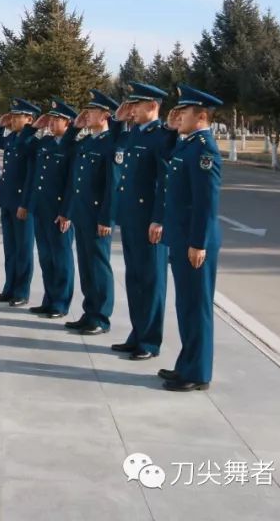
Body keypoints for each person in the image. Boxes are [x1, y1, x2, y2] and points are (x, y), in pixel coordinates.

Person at [158, 84, 223, 391]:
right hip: (182, 237)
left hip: (195, 242)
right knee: (186, 305)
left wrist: (198, 242)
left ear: (200, 116)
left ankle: (197, 373)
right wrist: (171, 129)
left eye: (183, 112)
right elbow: (164, 157)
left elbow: (205, 203)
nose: (178, 116)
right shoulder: (186, 144)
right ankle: (187, 364)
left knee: (196, 307)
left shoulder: (204, 149)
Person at [109, 82, 179, 361]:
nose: (132, 109)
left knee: (151, 281)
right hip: (132, 218)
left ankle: (149, 342)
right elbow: (115, 144)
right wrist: (117, 120)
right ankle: (137, 334)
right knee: (135, 278)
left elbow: (166, 181)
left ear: (152, 106)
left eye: (136, 105)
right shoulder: (135, 132)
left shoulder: (162, 136)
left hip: (150, 221)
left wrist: (160, 219)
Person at [57, 89, 119, 335]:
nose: (87, 114)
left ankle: (101, 316)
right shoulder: (88, 141)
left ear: (105, 115)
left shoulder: (110, 143)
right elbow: (65, 152)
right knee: (85, 264)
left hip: (97, 216)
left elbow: (112, 186)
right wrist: (74, 127)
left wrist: (107, 218)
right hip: (81, 213)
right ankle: (89, 311)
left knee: (98, 265)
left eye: (93, 111)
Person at [20, 99, 79, 319]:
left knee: (61, 258)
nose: (52, 123)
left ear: (69, 122)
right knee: (46, 257)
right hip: (41, 208)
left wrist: (67, 213)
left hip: (59, 212)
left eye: (58, 120)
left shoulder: (73, 147)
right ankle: (49, 300)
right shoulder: (43, 142)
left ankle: (61, 303)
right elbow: (21, 148)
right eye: (51, 119)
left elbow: (73, 183)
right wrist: (34, 127)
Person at [0, 98, 41, 306]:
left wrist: (26, 204)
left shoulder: (32, 143)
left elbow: (31, 176)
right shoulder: (12, 138)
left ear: (29, 119)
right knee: (10, 248)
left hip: (22, 203)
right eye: (12, 114)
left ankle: (21, 291)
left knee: (23, 249)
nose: (12, 118)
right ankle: (9, 288)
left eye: (17, 116)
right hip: (7, 200)